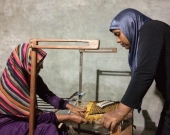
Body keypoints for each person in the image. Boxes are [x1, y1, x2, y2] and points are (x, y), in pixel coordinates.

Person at [100, 8, 170, 135]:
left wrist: (120, 111)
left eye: (117, 33)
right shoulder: (151, 33)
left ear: (130, 25)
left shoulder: (152, 28)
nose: (117, 40)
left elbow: (144, 72)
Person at [0, 43, 87, 135]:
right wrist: (69, 117)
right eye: (39, 63)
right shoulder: (13, 84)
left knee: (58, 128)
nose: (42, 67)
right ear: (26, 63)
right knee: (47, 129)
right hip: (7, 124)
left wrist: (71, 107)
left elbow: (48, 96)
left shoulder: (33, 78)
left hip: (25, 119)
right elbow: (34, 117)